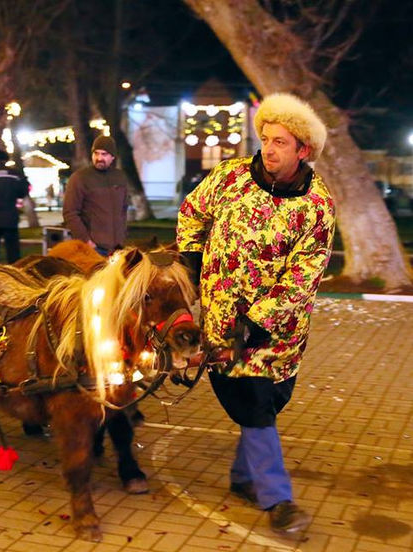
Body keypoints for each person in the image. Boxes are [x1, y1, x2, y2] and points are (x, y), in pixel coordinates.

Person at [176, 92, 335, 536]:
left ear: (303, 149)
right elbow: (191, 213)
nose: (269, 148)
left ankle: (247, 480)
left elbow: (304, 275)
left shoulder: (317, 206)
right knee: (253, 404)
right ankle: (276, 499)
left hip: (276, 333)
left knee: (265, 403)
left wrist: (259, 321)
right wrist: (192, 261)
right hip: (222, 323)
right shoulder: (230, 177)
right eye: (265, 139)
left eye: (280, 142)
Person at [62, 135, 129, 257]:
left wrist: (122, 237)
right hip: (93, 248)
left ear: (113, 156)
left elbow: (123, 210)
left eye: (104, 154)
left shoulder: (120, 177)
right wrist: (86, 240)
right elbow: (70, 213)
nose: (99, 158)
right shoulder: (80, 178)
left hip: (117, 249)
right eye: (96, 153)